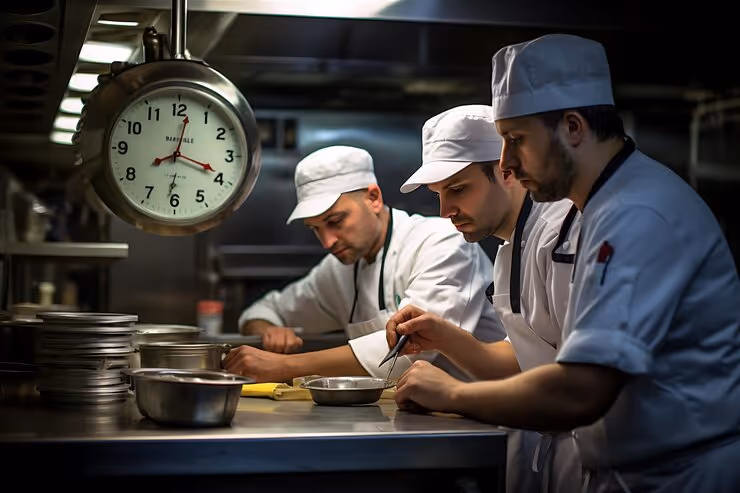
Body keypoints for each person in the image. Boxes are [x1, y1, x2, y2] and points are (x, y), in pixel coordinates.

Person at [391, 34, 740, 492]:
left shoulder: (637, 213)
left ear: (573, 127)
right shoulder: (601, 206)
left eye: (516, 140)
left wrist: (453, 394)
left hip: (679, 475)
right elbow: (541, 358)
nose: (508, 164)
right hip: (630, 468)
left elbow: (581, 389)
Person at [391, 104, 581, 493]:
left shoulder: (561, 234)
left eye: (458, 189)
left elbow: (575, 381)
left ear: (506, 171)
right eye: (438, 195)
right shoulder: (511, 246)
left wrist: (454, 394)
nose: (445, 212)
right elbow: (525, 361)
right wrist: (443, 336)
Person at [225, 145, 505, 383]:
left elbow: (412, 349)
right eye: (316, 229)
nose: (327, 241)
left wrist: (284, 367)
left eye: (335, 221)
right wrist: (268, 330)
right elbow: (264, 309)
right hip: (410, 417)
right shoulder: (338, 270)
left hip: (481, 419)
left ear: (373, 198)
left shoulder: (441, 241)